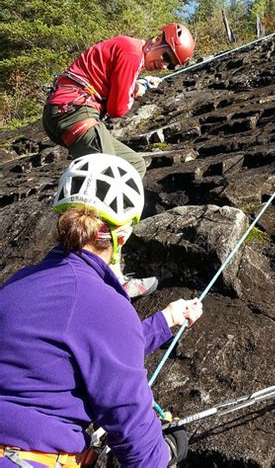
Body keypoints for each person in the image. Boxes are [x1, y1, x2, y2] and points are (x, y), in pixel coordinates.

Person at [0, 153, 202, 468]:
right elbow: (141, 451)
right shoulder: (104, 304)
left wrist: (167, 320)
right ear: (121, 237)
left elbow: (78, 344)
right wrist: (169, 451)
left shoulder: (19, 282)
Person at [42, 23, 195, 298]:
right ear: (158, 39)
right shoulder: (131, 51)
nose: (164, 64)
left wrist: (136, 84)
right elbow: (117, 109)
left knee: (134, 166)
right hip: (75, 110)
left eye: (171, 64)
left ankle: (99, 249)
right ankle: (111, 272)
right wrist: (136, 90)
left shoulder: (132, 57)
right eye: (166, 56)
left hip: (71, 111)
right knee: (108, 183)